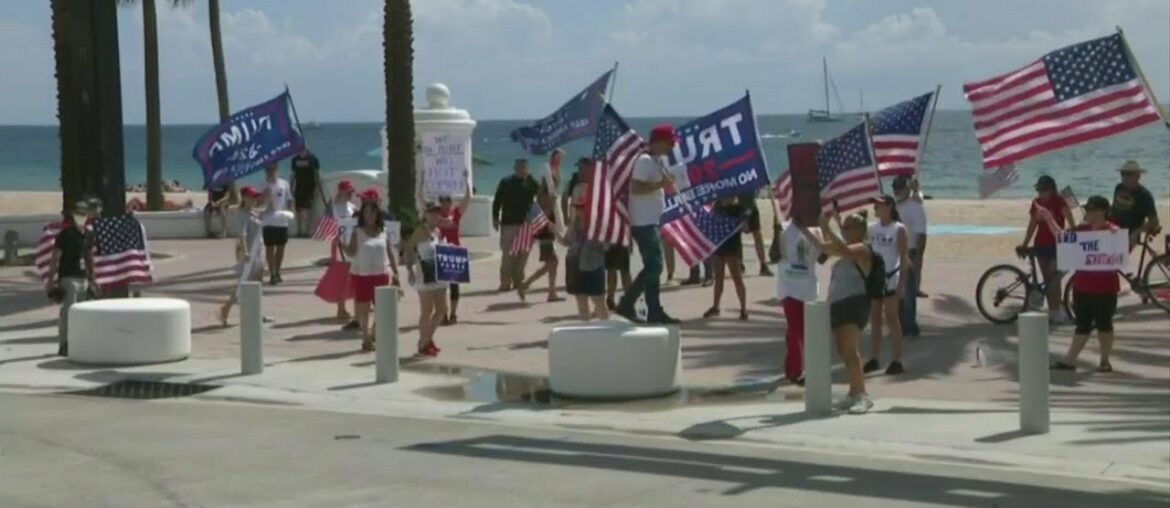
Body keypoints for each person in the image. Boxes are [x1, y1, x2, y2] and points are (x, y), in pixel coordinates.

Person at [799, 212, 875, 414]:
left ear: (860, 230)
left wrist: (828, 227)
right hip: (839, 302)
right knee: (843, 349)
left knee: (850, 350)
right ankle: (853, 392)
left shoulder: (862, 249)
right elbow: (824, 247)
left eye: (848, 228)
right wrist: (805, 229)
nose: (845, 231)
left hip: (855, 301)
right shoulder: (845, 249)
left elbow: (845, 251)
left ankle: (862, 395)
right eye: (845, 227)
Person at [1045, 196, 1121, 372]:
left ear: (1102, 211)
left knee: (1104, 324)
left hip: (1105, 288)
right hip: (1082, 286)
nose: (1087, 213)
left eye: (1092, 210)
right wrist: (1049, 218)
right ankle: (1070, 360)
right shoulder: (1082, 230)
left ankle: (1104, 360)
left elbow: (1118, 252)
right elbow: (1061, 237)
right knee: (1082, 324)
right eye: (1087, 209)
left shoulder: (1112, 231)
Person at [615, 124, 681, 324]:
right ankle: (649, 308)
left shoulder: (657, 161)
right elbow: (636, 188)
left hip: (651, 220)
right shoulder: (644, 161)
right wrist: (661, 185)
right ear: (659, 142)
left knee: (653, 266)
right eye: (669, 142)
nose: (671, 146)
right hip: (643, 222)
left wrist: (665, 187)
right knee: (655, 265)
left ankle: (631, 303)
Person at [340, 199, 401, 352]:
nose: (370, 215)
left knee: (383, 309)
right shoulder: (357, 231)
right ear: (362, 214)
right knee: (364, 309)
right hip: (362, 274)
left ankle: (374, 332)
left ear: (377, 214)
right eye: (366, 211)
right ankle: (366, 339)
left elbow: (389, 253)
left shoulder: (383, 230)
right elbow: (352, 252)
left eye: (373, 211)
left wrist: (396, 272)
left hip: (381, 274)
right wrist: (341, 245)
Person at [1019, 175, 1076, 326]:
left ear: (1052, 189)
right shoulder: (1036, 203)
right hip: (1041, 244)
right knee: (1048, 280)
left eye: (1043, 190)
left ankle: (1055, 312)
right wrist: (1025, 243)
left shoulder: (1059, 201)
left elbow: (1070, 219)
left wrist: (1073, 231)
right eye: (1038, 190)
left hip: (1058, 245)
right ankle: (1052, 311)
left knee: (1054, 280)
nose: (1040, 193)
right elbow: (1032, 224)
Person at [865, 195, 910, 375]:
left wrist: (902, 286)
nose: (876, 208)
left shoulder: (899, 229)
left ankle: (897, 360)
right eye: (875, 205)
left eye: (880, 205)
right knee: (875, 319)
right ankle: (874, 358)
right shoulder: (871, 229)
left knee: (891, 318)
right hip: (875, 278)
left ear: (890, 206)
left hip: (891, 277)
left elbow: (904, 258)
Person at [46, 201, 98, 356]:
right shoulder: (65, 235)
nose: (80, 217)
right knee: (68, 312)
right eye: (78, 213)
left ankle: (79, 343)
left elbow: (89, 257)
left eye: (83, 213)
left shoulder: (89, 235)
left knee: (83, 313)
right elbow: (55, 258)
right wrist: (50, 280)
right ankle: (64, 344)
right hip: (68, 278)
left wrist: (93, 278)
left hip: (84, 278)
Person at [778, 218, 825, 386]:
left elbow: (823, 257)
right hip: (788, 287)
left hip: (807, 288)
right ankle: (794, 369)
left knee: (806, 331)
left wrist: (812, 233)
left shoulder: (816, 229)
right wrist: (780, 235)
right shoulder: (783, 228)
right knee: (794, 329)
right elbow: (774, 255)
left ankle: (811, 369)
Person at [405, 203, 450, 357]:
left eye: (437, 213)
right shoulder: (420, 230)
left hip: (439, 273)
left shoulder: (437, 231)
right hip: (424, 274)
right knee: (427, 310)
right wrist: (409, 269)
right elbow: (409, 249)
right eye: (432, 213)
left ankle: (426, 339)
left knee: (441, 309)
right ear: (425, 215)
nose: (435, 216)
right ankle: (424, 342)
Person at [520, 150, 566, 303]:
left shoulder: (551, 182)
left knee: (551, 263)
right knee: (552, 262)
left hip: (548, 225)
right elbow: (542, 206)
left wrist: (556, 165)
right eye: (557, 157)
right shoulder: (545, 187)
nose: (559, 160)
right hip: (545, 227)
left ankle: (549, 291)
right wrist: (550, 208)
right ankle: (527, 285)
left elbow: (555, 187)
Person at [218, 186, 265, 326]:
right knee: (244, 284)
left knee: (257, 284)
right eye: (251, 196)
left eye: (255, 196)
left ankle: (255, 313)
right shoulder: (242, 214)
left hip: (258, 251)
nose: (254, 199)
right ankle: (225, 309)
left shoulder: (254, 213)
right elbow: (242, 234)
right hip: (249, 253)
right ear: (244, 197)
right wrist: (245, 252)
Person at [492, 159, 540, 293]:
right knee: (508, 254)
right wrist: (495, 218)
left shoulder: (532, 182)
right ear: (515, 168)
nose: (522, 170)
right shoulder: (506, 182)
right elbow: (497, 200)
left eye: (524, 167)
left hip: (527, 224)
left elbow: (542, 196)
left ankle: (518, 280)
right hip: (509, 223)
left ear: (528, 168)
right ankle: (505, 282)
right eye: (519, 167)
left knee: (523, 254)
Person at [561, 196, 609, 320]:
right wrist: (555, 230)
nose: (580, 211)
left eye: (583, 208)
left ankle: (606, 332)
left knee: (599, 302)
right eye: (578, 208)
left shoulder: (598, 225)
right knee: (581, 302)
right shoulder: (575, 225)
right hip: (576, 267)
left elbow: (606, 246)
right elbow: (566, 241)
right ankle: (586, 330)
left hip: (594, 267)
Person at [704, 196, 751, 320]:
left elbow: (746, 229)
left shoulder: (739, 209)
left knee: (737, 278)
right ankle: (716, 306)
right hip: (719, 246)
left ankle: (743, 309)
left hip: (733, 248)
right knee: (718, 277)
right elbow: (710, 224)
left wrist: (743, 222)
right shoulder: (717, 208)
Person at [893, 176, 929, 335]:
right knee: (895, 290)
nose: (897, 191)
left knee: (908, 291)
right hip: (893, 252)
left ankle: (909, 326)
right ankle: (898, 324)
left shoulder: (914, 207)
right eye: (895, 188)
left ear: (907, 189)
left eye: (900, 188)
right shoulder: (893, 206)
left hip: (910, 251)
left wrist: (919, 256)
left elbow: (921, 234)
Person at [438, 176, 472, 324]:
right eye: (443, 201)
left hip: (455, 252)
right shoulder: (436, 216)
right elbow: (421, 201)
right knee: (441, 287)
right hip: (440, 252)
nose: (445, 203)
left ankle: (453, 314)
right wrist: (421, 182)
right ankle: (443, 313)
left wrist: (466, 181)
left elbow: (468, 198)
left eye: (448, 200)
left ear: (451, 202)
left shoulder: (456, 213)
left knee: (454, 286)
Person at [1110, 160, 1160, 252]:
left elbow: (1154, 221)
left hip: (1129, 233)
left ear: (1138, 176)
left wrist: (1137, 232)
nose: (1125, 177)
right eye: (1122, 173)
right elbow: (1114, 209)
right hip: (1112, 229)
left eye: (1128, 174)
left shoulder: (1144, 195)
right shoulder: (1119, 188)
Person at [329, 180, 359, 326]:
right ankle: (340, 308)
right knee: (342, 277)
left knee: (352, 276)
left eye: (351, 191)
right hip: (341, 244)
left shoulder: (352, 207)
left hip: (351, 243)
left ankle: (347, 306)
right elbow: (334, 226)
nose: (349, 194)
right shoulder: (336, 208)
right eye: (347, 191)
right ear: (340, 191)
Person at [260, 164, 293, 285]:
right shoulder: (263, 185)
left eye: (272, 169)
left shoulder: (284, 184)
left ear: (277, 170)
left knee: (281, 247)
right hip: (268, 220)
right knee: (270, 247)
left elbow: (289, 199)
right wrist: (265, 196)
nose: (270, 172)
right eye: (268, 170)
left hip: (281, 220)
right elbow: (259, 202)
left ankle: (278, 271)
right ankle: (272, 272)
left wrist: (290, 211)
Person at [740, 191, 774, 277]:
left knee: (757, 234)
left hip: (751, 205)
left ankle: (763, 265)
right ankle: (739, 264)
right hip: (736, 206)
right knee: (736, 236)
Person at [291, 148, 321, 238]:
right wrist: (291, 186)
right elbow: (293, 174)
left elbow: (316, 175)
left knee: (309, 210)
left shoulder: (313, 159)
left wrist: (316, 189)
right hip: (298, 188)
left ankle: (308, 231)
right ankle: (299, 231)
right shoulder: (295, 159)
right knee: (298, 210)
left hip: (310, 188)